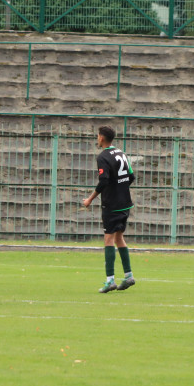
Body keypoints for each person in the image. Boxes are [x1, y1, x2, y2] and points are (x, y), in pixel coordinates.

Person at [83, 125, 136, 294]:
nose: (97, 138)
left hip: (112, 204)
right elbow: (131, 176)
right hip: (125, 202)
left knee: (108, 240)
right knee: (119, 237)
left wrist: (90, 199)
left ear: (101, 138)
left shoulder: (103, 157)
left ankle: (110, 280)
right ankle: (128, 276)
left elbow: (104, 180)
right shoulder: (121, 153)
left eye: (98, 136)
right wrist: (121, 190)